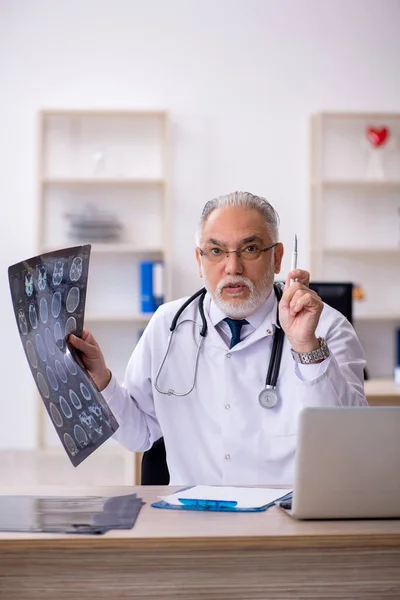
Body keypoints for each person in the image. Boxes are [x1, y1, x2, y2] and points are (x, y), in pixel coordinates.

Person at [69, 191, 367, 486]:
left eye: (249, 249)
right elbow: (139, 434)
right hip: (196, 519)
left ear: (277, 258)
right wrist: (101, 380)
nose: (233, 267)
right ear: (199, 261)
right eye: (216, 251)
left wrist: (305, 346)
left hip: (287, 522)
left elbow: (348, 440)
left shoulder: (326, 327)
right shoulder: (166, 326)